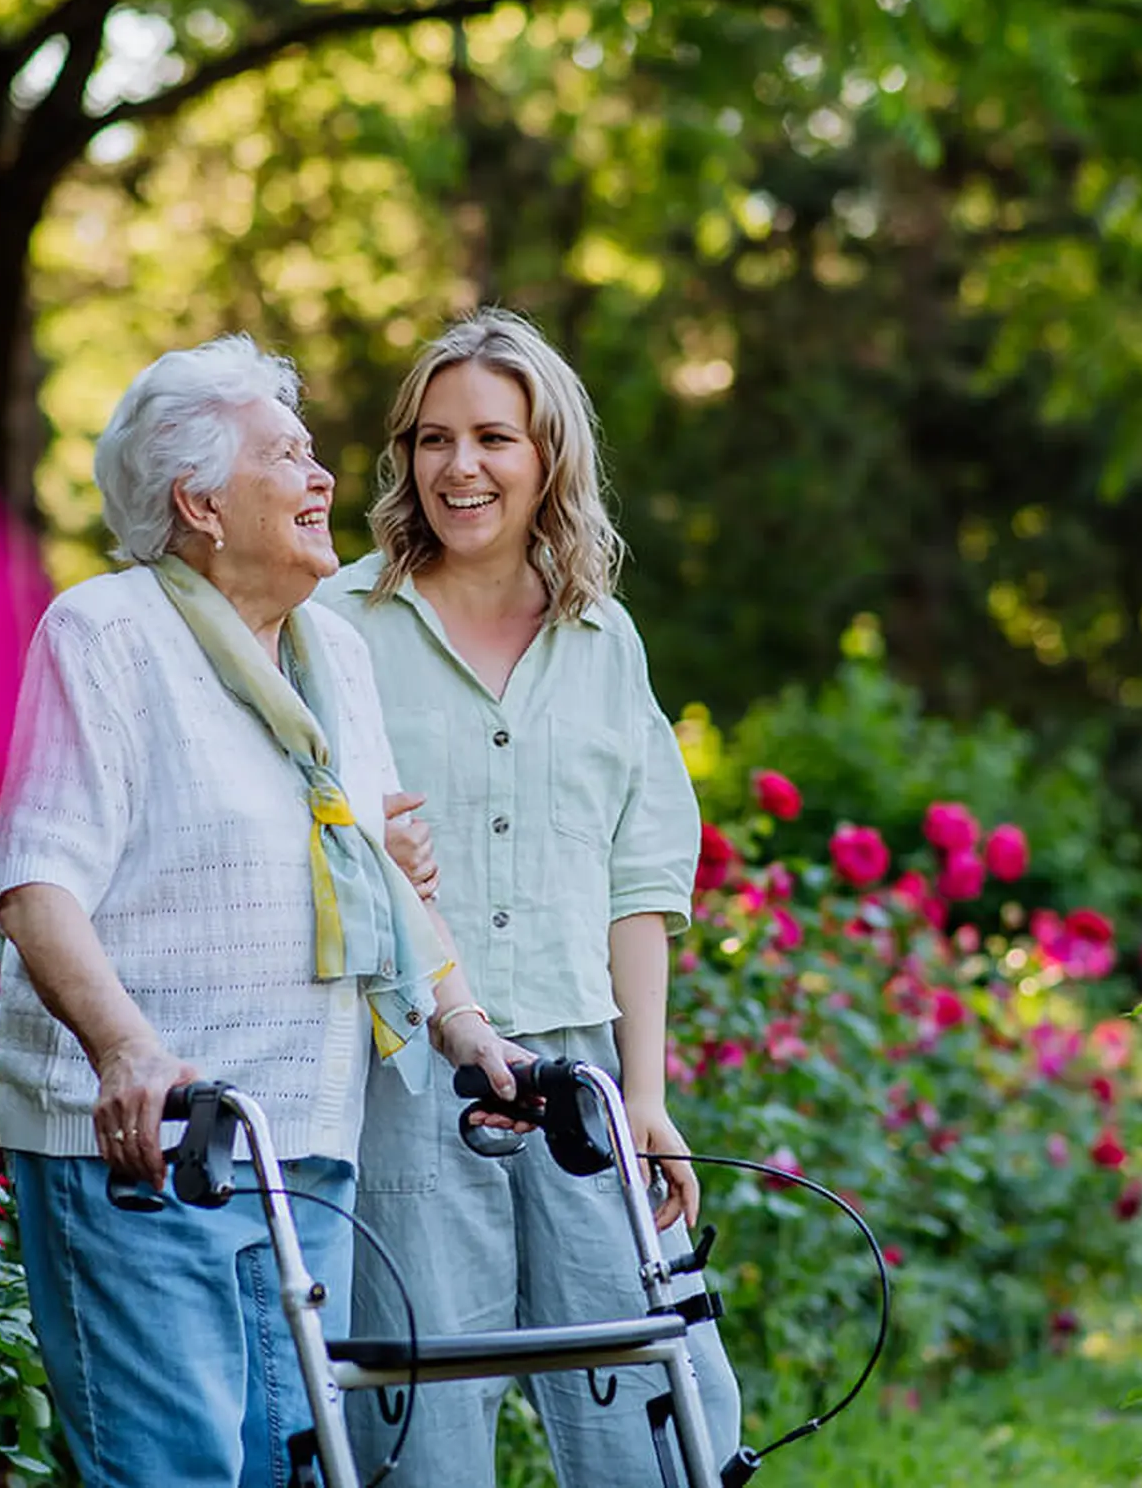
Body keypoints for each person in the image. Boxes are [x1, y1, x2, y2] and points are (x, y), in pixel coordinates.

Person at [0, 335, 523, 1488]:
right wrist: (127, 1049)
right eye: (285, 456)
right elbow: (36, 883)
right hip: (148, 1146)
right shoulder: (108, 634)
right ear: (199, 502)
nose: (323, 476)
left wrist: (466, 1026)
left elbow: (374, 871)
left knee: (292, 1466)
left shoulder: (332, 652)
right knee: (174, 1468)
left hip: (302, 1140)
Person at [314, 308, 742, 1487]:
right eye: (432, 439)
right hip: (405, 1077)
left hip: (579, 1080)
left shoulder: (603, 638)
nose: (459, 467)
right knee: (418, 1431)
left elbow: (638, 882)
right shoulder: (335, 627)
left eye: (493, 438)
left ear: (549, 455)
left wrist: (643, 1097)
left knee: (657, 1417)